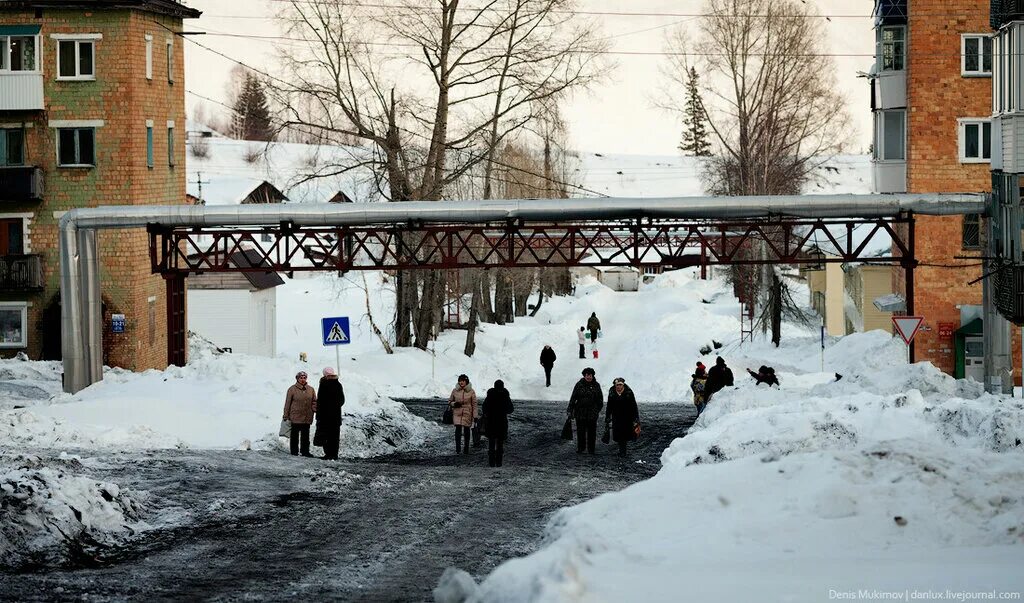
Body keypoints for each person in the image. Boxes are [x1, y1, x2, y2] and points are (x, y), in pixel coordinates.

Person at [567, 367, 603, 454]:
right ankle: (581, 448)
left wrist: (596, 410)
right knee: (581, 432)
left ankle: (591, 450)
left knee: (592, 432)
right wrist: (570, 409)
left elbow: (600, 400)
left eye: (590, 375)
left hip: (592, 413)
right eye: (587, 375)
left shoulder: (596, 385)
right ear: (584, 376)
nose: (588, 377)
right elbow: (573, 398)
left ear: (592, 376)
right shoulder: (579, 384)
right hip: (580, 412)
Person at [283, 370, 317, 457]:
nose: (303, 379)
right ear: (297, 379)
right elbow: (288, 403)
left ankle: (305, 452)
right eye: (301, 378)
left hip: (307, 416)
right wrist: (286, 415)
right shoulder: (292, 389)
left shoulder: (311, 389)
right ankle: (294, 451)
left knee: (305, 436)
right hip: (295, 416)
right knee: (294, 436)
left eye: (304, 378)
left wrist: (314, 409)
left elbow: (314, 401)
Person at [482, 379, 515, 467]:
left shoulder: (490, 395)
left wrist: (487, 414)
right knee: (500, 444)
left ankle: (491, 462)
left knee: (491, 443)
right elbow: (510, 409)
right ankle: (499, 462)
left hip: (491, 422)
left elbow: (484, 408)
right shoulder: (505, 395)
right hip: (502, 422)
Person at [316, 367, 345, 460]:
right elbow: (342, 400)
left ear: (324, 374)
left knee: (325, 435)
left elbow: (320, 401)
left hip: (324, 416)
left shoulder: (323, 384)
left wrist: (321, 411)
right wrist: (335, 407)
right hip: (335, 416)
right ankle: (334, 454)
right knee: (335, 436)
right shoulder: (338, 384)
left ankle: (328, 454)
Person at [605, 377, 639, 457]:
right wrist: (607, 416)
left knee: (625, 434)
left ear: (623, 385)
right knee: (618, 434)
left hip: (627, 417)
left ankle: (623, 451)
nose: (619, 387)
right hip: (616, 417)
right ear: (615, 385)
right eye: (617, 385)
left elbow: (634, 406)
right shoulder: (612, 393)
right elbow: (609, 406)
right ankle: (621, 450)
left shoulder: (629, 392)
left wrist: (636, 418)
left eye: (620, 385)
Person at [448, 374, 477, 455]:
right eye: (460, 381)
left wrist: (475, 416)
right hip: (457, 412)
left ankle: (466, 448)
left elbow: (474, 404)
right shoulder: (455, 390)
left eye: (463, 381)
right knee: (458, 430)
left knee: (467, 430)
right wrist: (454, 404)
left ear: (466, 381)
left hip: (467, 413)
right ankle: (458, 448)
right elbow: (449, 401)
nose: (461, 382)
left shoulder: (471, 391)